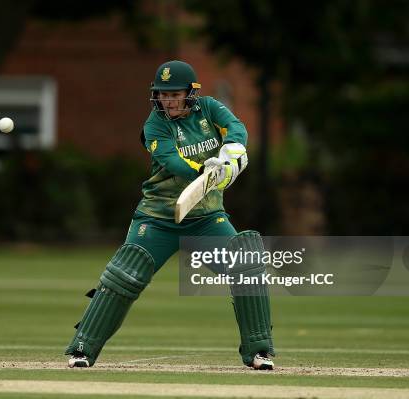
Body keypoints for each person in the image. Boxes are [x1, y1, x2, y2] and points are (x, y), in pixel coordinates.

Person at [65, 60, 275, 370]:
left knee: (245, 265)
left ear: (191, 93)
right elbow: (174, 162)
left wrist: (229, 155)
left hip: (205, 218)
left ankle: (259, 351)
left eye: (174, 94)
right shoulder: (155, 125)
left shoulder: (209, 108)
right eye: (162, 95)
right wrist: (206, 171)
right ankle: (82, 349)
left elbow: (237, 129)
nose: (168, 101)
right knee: (125, 276)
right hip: (157, 218)